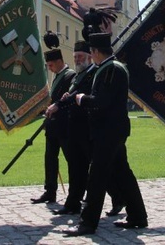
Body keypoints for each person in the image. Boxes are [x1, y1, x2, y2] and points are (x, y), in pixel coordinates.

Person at [64, 33, 147, 236]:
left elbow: (102, 102)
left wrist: (82, 99)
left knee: (97, 177)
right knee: (123, 174)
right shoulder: (110, 68)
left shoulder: (111, 69)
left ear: (96, 52)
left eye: (91, 53)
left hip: (107, 132)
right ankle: (138, 215)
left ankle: (87, 223)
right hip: (113, 131)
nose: (91, 57)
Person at [47, 40, 95, 215]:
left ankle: (118, 198)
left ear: (89, 57)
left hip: (88, 128)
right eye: (75, 57)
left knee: (101, 168)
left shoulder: (93, 73)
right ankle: (72, 203)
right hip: (74, 128)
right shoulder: (77, 76)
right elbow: (71, 94)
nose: (77, 59)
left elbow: (86, 96)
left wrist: (65, 101)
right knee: (75, 167)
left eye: (80, 56)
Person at [32, 46, 76, 204]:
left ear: (59, 61)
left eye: (51, 65)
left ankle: (75, 193)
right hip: (52, 126)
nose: (49, 68)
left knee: (71, 160)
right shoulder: (57, 76)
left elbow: (69, 99)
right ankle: (50, 191)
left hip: (64, 126)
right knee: (50, 159)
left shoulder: (70, 75)